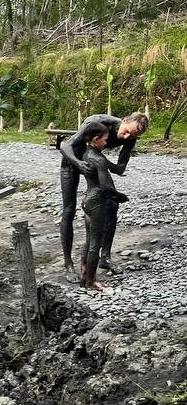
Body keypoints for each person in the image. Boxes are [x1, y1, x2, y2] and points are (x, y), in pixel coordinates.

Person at [59, 111, 148, 273]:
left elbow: (120, 168)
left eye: (132, 136)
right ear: (124, 120)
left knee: (112, 204)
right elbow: (65, 146)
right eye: (126, 131)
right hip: (72, 162)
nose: (127, 137)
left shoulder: (131, 138)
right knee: (68, 211)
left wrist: (102, 162)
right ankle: (68, 264)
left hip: (94, 163)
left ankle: (105, 258)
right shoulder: (98, 122)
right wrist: (79, 163)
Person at [76, 124, 128, 292]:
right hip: (96, 203)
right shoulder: (97, 159)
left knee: (89, 240)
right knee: (95, 244)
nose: (107, 143)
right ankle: (91, 282)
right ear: (96, 140)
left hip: (88, 201)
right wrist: (120, 196)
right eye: (105, 140)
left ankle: (84, 275)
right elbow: (105, 187)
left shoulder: (89, 153)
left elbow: (116, 169)